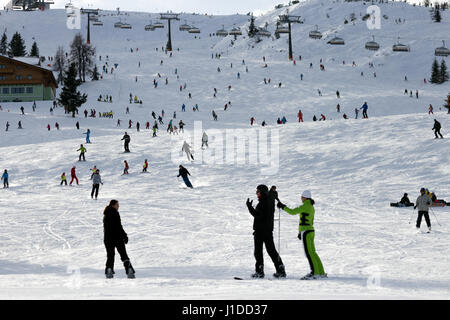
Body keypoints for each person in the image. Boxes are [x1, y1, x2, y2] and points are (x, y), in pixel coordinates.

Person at [277, 190, 326, 280]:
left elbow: (292, 212)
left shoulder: (304, 206)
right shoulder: (311, 207)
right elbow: (310, 221)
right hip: (311, 231)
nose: (301, 198)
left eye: (301, 197)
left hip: (306, 232)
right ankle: (320, 272)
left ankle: (314, 273)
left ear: (305, 197)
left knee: (309, 253)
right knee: (313, 252)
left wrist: (283, 207)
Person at [246, 184, 286, 278]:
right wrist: (272, 192)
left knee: (258, 252)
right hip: (268, 230)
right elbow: (272, 195)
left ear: (262, 193)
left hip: (260, 231)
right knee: (271, 251)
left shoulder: (263, 203)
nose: (256, 194)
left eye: (258, 192)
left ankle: (259, 272)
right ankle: (280, 270)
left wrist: (249, 207)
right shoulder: (269, 199)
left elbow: (258, 215)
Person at [103, 200, 135, 279]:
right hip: (117, 238)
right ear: (113, 205)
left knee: (110, 256)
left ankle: (109, 270)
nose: (118, 206)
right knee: (123, 255)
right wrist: (124, 236)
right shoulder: (115, 213)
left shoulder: (105, 214)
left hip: (108, 239)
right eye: (117, 205)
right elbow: (118, 226)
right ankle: (129, 269)